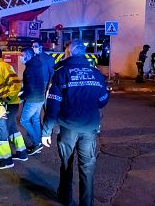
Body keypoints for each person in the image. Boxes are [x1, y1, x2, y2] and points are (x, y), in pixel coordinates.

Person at [42, 39, 110, 206]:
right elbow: (103, 100)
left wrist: (46, 131)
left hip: (68, 128)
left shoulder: (61, 73)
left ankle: (65, 198)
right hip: (89, 128)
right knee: (87, 168)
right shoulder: (96, 74)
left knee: (66, 164)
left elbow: (52, 105)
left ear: (69, 53)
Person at [0, 45, 28, 169]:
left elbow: (16, 85)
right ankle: (22, 152)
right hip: (9, 104)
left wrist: (7, 99)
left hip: (7, 104)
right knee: (11, 128)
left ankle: (5, 160)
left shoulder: (2, 67)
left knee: (0, 130)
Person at [19, 48, 46, 156]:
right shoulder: (37, 65)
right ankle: (37, 143)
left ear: (28, 56)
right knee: (35, 119)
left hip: (32, 99)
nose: (21, 57)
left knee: (24, 121)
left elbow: (28, 87)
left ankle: (37, 143)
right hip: (40, 97)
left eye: (23, 55)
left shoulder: (29, 69)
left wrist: (22, 98)